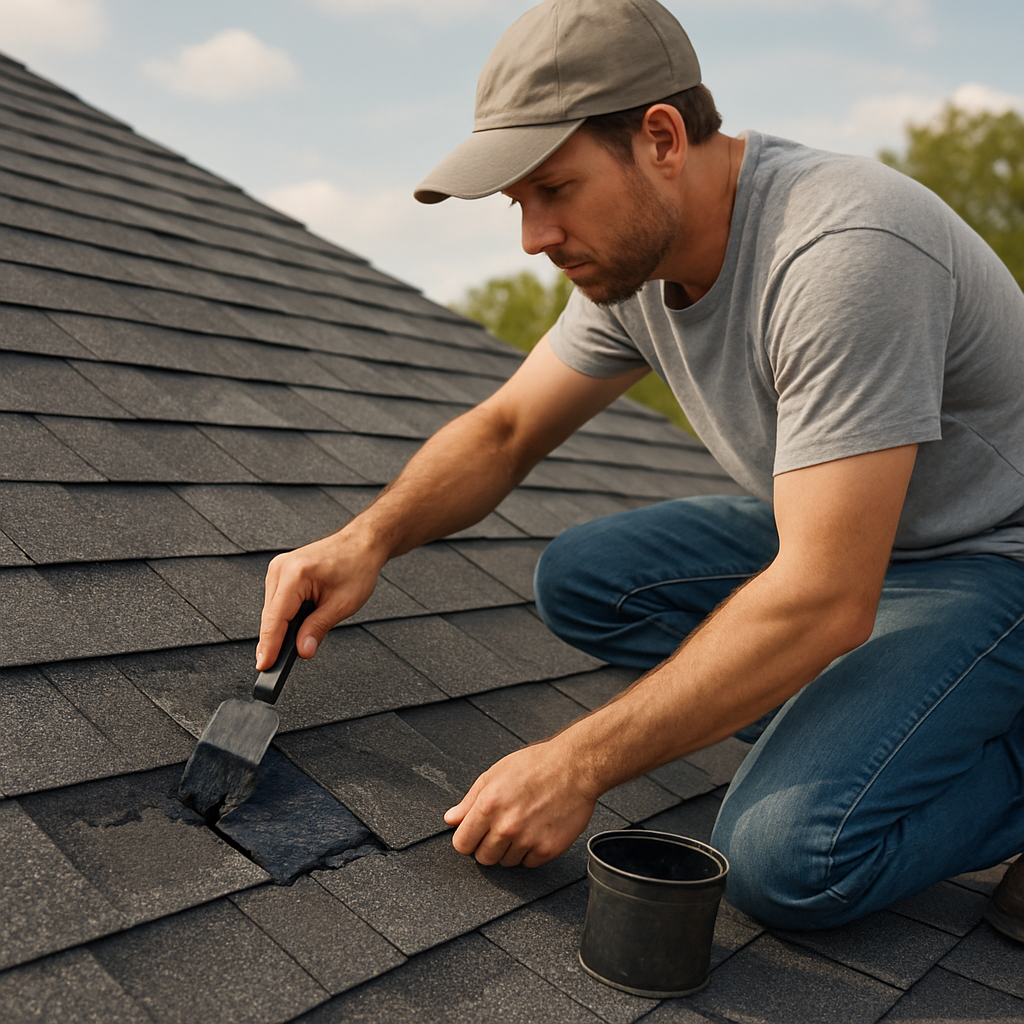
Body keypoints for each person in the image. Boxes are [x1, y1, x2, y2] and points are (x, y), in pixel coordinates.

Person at [257, 0, 1024, 933]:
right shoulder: (639, 261)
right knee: (586, 579)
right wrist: (364, 540)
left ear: (661, 137)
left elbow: (827, 596)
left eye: (555, 189)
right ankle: (866, 714)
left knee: (786, 860)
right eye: (518, 203)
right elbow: (505, 432)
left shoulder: (843, 252)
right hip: (866, 538)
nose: (534, 238)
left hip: (991, 559)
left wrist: (576, 764)